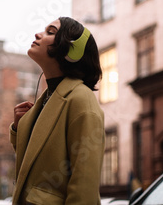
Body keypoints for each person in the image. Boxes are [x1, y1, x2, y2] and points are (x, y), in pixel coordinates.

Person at [10, 17, 105, 205]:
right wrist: (19, 129)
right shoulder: (46, 99)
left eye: (50, 32)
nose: (38, 34)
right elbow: (35, 165)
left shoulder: (81, 99)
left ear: (73, 51)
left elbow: (84, 185)